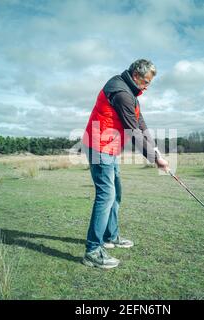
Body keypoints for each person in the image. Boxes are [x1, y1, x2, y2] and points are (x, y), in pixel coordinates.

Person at [81, 59, 169, 268]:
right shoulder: (122, 93)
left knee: (116, 193)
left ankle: (111, 237)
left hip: (109, 148)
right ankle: (93, 250)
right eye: (146, 81)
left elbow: (141, 123)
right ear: (136, 76)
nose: (147, 86)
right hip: (98, 146)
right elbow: (134, 133)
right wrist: (156, 160)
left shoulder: (130, 92)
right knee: (106, 195)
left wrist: (156, 150)